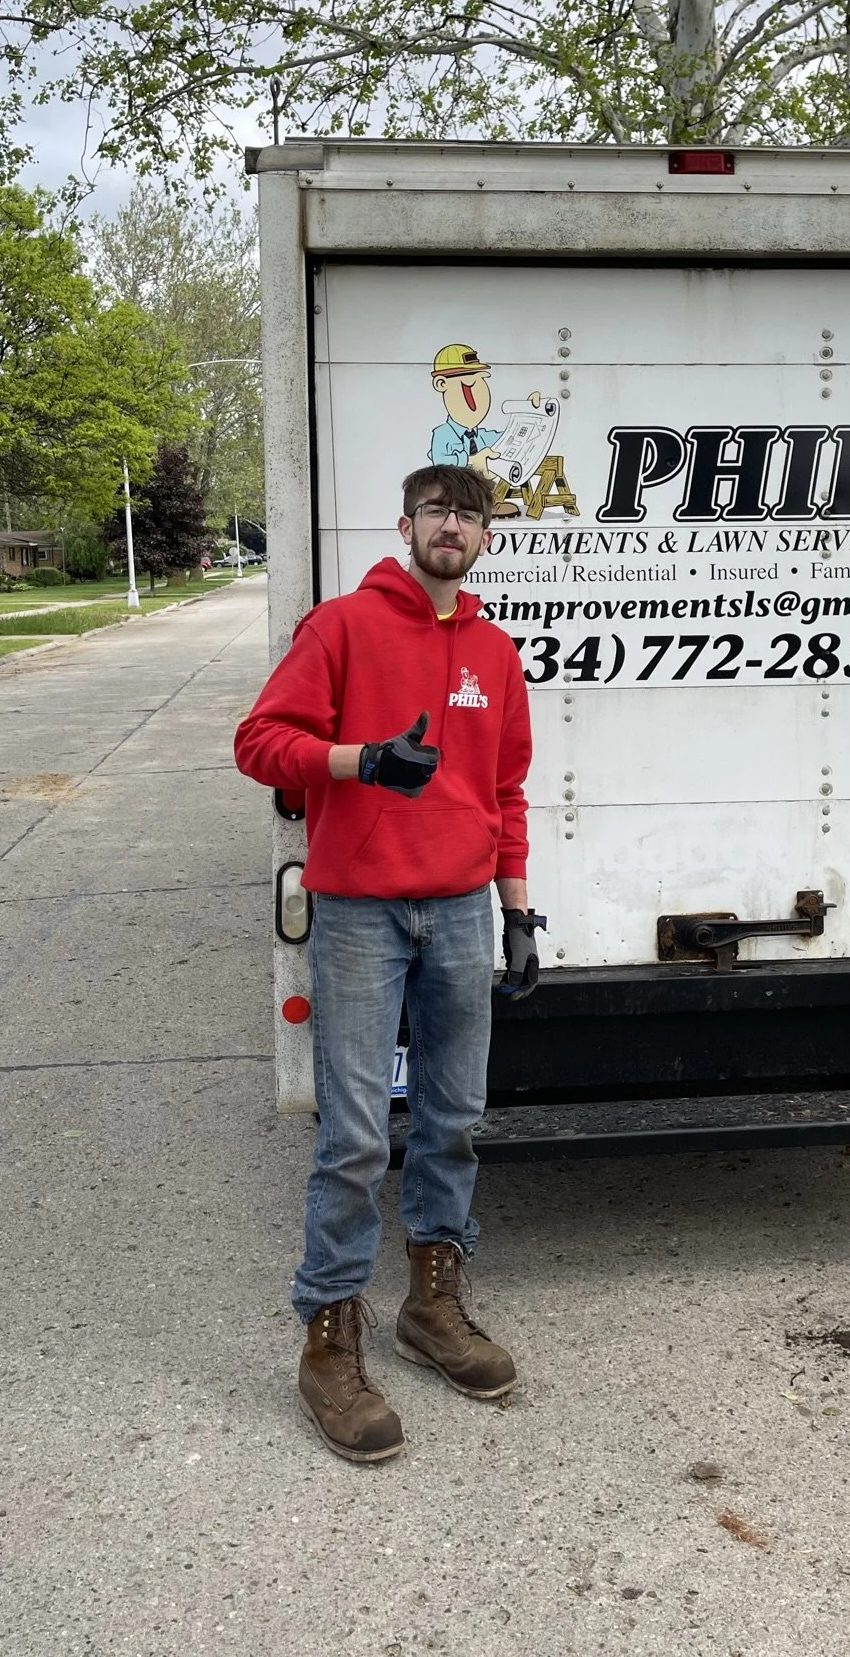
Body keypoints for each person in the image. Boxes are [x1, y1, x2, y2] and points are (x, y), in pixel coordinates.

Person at [234, 464, 541, 1463]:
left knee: (453, 1120)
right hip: (361, 916)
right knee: (357, 1136)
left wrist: (518, 910)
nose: (453, 526)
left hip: (459, 911)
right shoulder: (341, 628)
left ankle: (432, 1306)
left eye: (471, 514)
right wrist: (357, 759)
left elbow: (506, 792)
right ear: (405, 524)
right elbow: (259, 741)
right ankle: (329, 1338)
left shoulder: (495, 651)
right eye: (437, 510)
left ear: (487, 535)